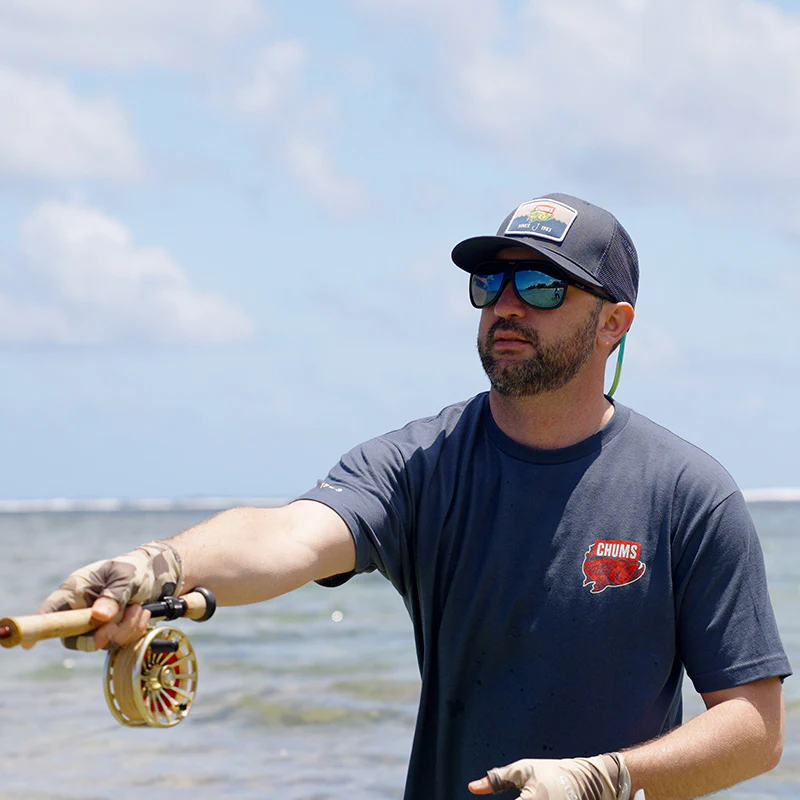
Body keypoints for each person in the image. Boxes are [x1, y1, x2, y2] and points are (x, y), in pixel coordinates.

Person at [35, 193, 790, 800]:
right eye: (490, 283)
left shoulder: (691, 494)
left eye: (539, 284)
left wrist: (604, 779)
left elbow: (755, 731)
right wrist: (159, 563)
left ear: (613, 324)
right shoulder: (422, 463)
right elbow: (289, 537)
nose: (506, 306)